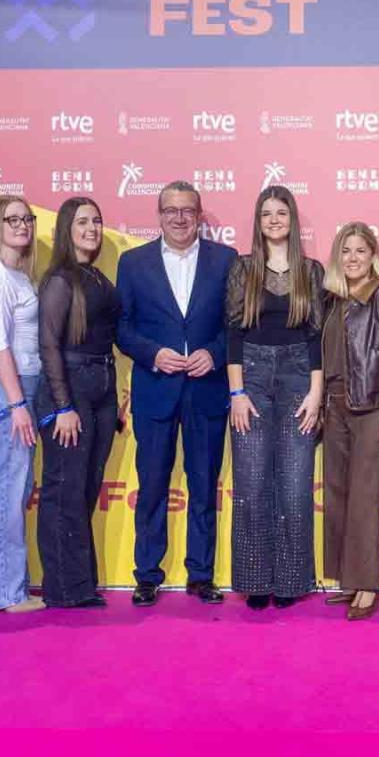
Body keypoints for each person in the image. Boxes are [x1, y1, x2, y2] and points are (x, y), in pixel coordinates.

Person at [115, 181, 234, 606]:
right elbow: (123, 327)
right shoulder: (133, 263)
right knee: (151, 488)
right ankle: (147, 574)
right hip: (156, 389)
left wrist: (214, 354)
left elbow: (234, 326)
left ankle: (200, 575)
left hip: (206, 389)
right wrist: (153, 354)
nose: (180, 218)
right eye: (171, 210)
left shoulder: (226, 260)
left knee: (204, 487)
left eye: (188, 210)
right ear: (159, 215)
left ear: (200, 215)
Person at [226, 185, 324, 609]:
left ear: (292, 218)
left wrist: (316, 393)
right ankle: (255, 580)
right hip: (251, 375)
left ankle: (289, 581)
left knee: (296, 484)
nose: (273, 220)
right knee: (250, 483)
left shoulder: (313, 272)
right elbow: (233, 331)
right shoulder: (242, 269)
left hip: (300, 376)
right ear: (258, 220)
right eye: (266, 213)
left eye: (280, 212)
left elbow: (317, 335)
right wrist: (237, 392)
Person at [319, 222, 379, 621]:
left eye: (360, 251)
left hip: (373, 406)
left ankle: (368, 584)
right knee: (338, 493)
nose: (353, 258)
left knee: (366, 498)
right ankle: (346, 579)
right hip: (335, 406)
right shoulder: (332, 300)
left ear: (373, 254)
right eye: (346, 251)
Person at [36, 197, 121, 609]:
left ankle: (79, 583)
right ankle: (63, 588)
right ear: (67, 230)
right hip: (70, 387)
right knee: (64, 488)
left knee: (84, 488)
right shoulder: (59, 280)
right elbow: (48, 344)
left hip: (102, 388)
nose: (92, 228)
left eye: (97, 220)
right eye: (83, 221)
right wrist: (62, 405)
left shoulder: (98, 278)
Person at [0, 195, 44, 613]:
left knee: (14, 487)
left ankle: (9, 586)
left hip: (20, 387)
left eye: (27, 218)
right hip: (6, 391)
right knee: (5, 488)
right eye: (11, 219)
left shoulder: (19, 274)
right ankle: (3, 593)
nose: (21, 225)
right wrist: (17, 403)